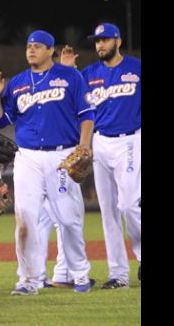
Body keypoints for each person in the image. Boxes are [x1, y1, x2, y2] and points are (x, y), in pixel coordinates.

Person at [0, 30, 95, 295]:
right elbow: (2, 122)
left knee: (69, 219)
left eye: (37, 46)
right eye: (28, 46)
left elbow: (87, 114)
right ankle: (28, 280)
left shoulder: (71, 77)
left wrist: (84, 145)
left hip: (63, 155)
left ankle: (80, 274)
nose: (31, 50)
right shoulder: (18, 82)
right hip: (28, 157)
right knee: (25, 219)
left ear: (50, 51)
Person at [63, 23, 141, 288]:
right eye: (97, 41)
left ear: (117, 41)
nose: (100, 45)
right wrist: (67, 71)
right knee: (108, 212)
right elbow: (70, 99)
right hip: (100, 143)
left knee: (129, 205)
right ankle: (119, 275)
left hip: (130, 139)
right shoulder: (88, 74)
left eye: (105, 40)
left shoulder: (136, 68)